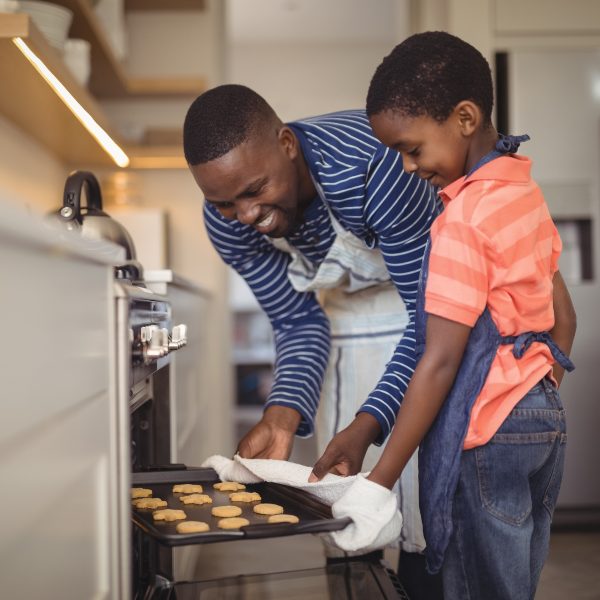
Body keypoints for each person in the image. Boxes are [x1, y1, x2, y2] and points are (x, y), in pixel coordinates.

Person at [318, 31, 577, 600]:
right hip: (543, 422)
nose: (408, 167)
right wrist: (536, 385)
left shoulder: (461, 220)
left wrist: (378, 481)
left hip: (487, 431)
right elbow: (564, 315)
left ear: (464, 117)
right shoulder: (524, 193)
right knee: (514, 580)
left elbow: (439, 360)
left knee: (473, 582)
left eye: (412, 149)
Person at [183, 84, 443, 597]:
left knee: (427, 526)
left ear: (286, 144)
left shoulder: (374, 165)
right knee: (345, 531)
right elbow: (299, 321)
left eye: (255, 191)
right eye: (225, 202)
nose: (247, 216)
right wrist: (281, 412)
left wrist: (369, 426)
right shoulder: (226, 221)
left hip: (432, 324)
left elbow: (429, 322)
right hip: (349, 331)